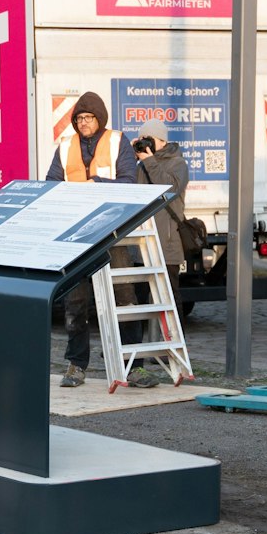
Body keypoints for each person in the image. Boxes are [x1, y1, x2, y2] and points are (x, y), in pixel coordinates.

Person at [44, 92, 144, 388]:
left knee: (125, 298)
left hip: (114, 233)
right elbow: (51, 184)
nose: (83, 123)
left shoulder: (117, 141)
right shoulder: (64, 147)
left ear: (100, 118)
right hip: (77, 235)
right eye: (79, 118)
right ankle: (76, 366)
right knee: (75, 302)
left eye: (88, 117)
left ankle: (134, 366)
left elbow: (130, 181)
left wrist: (97, 184)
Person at [133, 118, 193, 271]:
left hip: (167, 246)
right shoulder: (141, 165)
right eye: (141, 139)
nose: (144, 143)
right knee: (141, 293)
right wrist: (130, 157)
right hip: (143, 244)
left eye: (148, 139)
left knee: (169, 294)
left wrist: (150, 161)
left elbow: (169, 189)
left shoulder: (178, 163)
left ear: (162, 141)